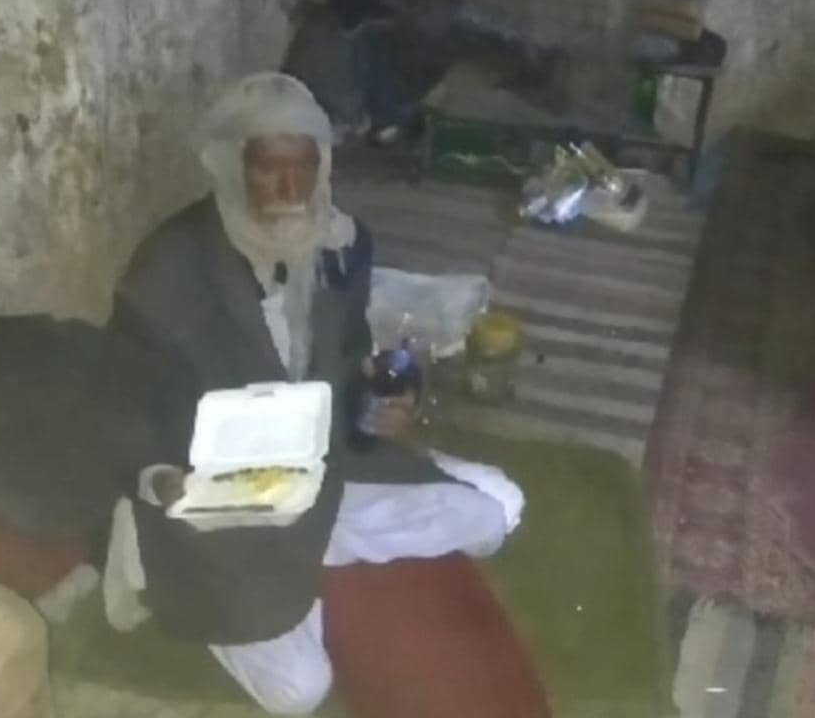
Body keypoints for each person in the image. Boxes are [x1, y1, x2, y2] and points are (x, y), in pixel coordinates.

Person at [99, 72, 527, 715]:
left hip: (320, 470)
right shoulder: (168, 271)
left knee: (495, 512)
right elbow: (124, 403)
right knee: (299, 692)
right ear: (232, 166)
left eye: (304, 166)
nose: (291, 189)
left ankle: (317, 542)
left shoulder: (339, 246)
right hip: (218, 504)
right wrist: (161, 480)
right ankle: (165, 555)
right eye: (268, 169)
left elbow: (347, 361)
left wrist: (380, 410)